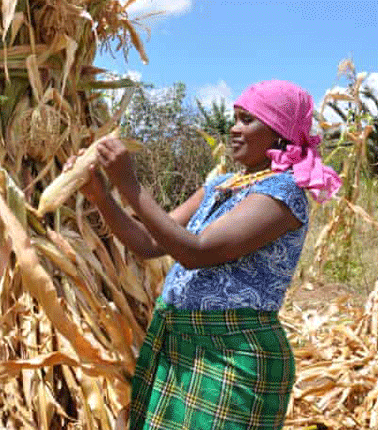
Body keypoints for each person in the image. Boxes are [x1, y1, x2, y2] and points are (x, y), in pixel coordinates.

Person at [69, 80, 342, 430]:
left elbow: (196, 252)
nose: (234, 128)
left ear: (279, 132)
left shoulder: (282, 192)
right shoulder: (220, 185)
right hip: (181, 345)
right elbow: (149, 244)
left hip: (231, 354)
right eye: (235, 118)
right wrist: (102, 196)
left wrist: (130, 185)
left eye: (248, 120)